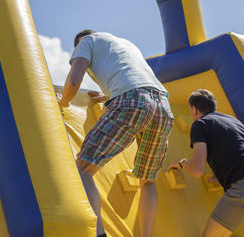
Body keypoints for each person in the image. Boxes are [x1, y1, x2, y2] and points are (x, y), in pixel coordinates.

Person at [58, 30, 174, 237]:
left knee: (84, 168)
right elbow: (135, 78)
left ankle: (100, 234)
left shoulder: (86, 42)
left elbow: (74, 80)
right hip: (163, 106)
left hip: (131, 101)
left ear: (79, 43)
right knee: (148, 180)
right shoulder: (126, 44)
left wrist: (63, 103)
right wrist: (107, 95)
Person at [167, 89, 244, 237]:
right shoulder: (234, 121)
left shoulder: (200, 124)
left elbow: (197, 170)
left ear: (194, 110)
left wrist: (181, 163)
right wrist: (221, 179)